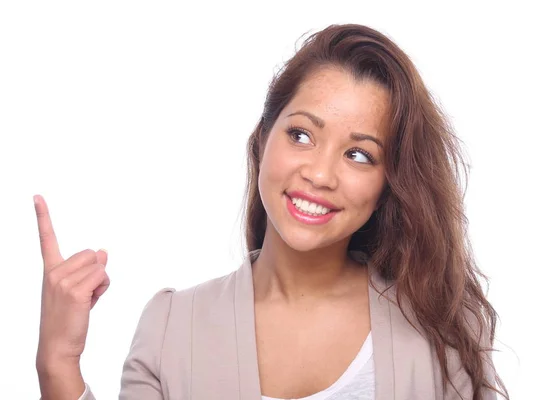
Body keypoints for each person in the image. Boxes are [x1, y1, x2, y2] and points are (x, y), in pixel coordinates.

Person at [34, 24, 508, 400]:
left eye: (359, 154)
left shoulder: (441, 328)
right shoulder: (171, 329)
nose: (320, 175)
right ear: (263, 139)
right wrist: (58, 361)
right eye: (301, 135)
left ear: (388, 185)